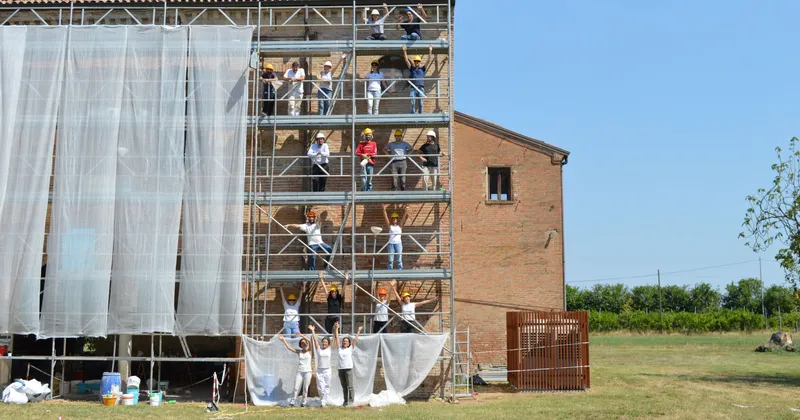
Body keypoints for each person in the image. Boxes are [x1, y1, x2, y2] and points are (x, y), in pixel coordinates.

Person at [278, 333, 312, 407]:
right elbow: (289, 348)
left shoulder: (309, 351)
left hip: (308, 372)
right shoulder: (299, 351)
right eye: (302, 343)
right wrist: (284, 340)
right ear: (300, 345)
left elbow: (309, 340)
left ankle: (304, 401)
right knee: (296, 387)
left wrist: (302, 336)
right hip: (300, 372)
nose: (303, 343)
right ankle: (293, 401)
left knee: (305, 388)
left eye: (304, 342)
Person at [333, 321, 362, 407]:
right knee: (344, 386)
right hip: (341, 369)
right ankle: (345, 401)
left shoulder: (350, 349)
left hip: (348, 369)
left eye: (346, 341)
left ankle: (351, 401)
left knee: (350, 386)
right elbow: (337, 338)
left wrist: (358, 331)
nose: (345, 342)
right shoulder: (339, 349)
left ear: (349, 343)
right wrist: (336, 328)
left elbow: (355, 340)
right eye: (344, 341)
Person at [402, 44, 434, 114]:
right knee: (412, 103)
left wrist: (430, 51)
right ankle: (412, 116)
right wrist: (404, 51)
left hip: (420, 88)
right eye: (415, 61)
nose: (416, 62)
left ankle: (420, 117)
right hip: (413, 88)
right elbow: (406, 60)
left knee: (421, 104)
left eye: (418, 61)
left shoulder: (422, 69)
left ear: (420, 62)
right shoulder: (412, 69)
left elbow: (428, 60)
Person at [307, 325, 332, 405]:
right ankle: (322, 398)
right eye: (323, 342)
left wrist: (336, 329)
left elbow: (335, 339)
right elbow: (315, 340)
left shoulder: (329, 349)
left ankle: (324, 400)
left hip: (327, 370)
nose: (324, 343)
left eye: (326, 342)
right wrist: (313, 330)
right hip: (320, 370)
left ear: (328, 343)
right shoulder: (319, 349)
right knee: (320, 387)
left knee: (327, 386)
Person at [382, 204, 409, 270]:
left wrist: (406, 210)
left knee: (399, 259)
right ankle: (389, 272)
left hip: (398, 243)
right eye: (393, 218)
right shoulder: (390, 226)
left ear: (397, 220)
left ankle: (400, 272)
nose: (395, 220)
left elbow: (403, 218)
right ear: (392, 219)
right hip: (391, 243)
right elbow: (386, 218)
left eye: (396, 218)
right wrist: (384, 210)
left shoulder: (400, 226)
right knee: (390, 259)